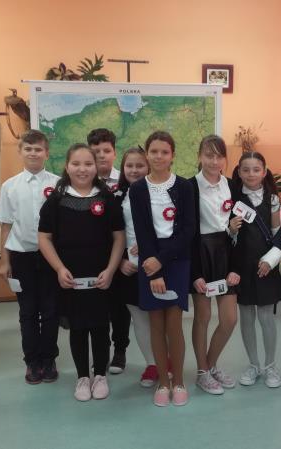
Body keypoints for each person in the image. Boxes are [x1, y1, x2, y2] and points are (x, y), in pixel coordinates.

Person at [38, 143, 124, 401]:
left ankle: (100, 375)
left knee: (100, 327)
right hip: (70, 279)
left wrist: (110, 270)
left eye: (88, 164)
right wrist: (59, 268)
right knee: (77, 328)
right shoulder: (56, 201)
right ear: (67, 166)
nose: (82, 169)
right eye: (76, 164)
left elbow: (119, 237)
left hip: (102, 278)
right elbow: (44, 238)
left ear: (96, 167)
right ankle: (82, 377)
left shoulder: (107, 198)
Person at [129, 131, 196, 406]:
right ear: (147, 154)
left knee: (174, 323)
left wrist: (162, 260)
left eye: (164, 152)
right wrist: (153, 270)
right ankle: (163, 382)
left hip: (177, 259)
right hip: (149, 260)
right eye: (154, 151)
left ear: (172, 156)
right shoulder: (137, 189)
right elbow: (142, 232)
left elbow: (189, 230)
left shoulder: (185, 187)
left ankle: (178, 380)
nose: (159, 157)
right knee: (156, 323)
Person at [0, 130, 60, 384]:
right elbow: (6, 225)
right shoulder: (9, 186)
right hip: (21, 257)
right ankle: (32, 361)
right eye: (28, 149)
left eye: (38, 149)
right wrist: (4, 261)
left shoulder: (58, 184)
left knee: (51, 310)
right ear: (20, 151)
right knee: (28, 311)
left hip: (51, 257)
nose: (33, 153)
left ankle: (49, 358)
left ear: (47, 153)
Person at [228, 151, 281, 388]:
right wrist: (231, 229)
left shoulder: (272, 198)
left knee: (265, 316)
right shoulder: (232, 197)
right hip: (241, 266)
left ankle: (270, 365)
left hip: (265, 266)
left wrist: (270, 260)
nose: (251, 174)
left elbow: (278, 233)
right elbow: (226, 235)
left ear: (264, 171)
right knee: (246, 316)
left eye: (256, 169)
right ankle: (253, 364)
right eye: (245, 170)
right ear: (239, 172)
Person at [189, 135, 239, 395]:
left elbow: (239, 229)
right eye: (209, 155)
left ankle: (210, 364)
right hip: (201, 254)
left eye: (219, 156)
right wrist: (195, 273)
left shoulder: (232, 186)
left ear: (225, 160)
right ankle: (202, 372)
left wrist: (235, 266)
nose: (214, 161)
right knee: (203, 317)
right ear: (200, 156)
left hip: (225, 254)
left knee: (230, 319)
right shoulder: (189, 187)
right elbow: (187, 234)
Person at [114, 146, 159, 387]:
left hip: (157, 265)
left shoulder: (160, 192)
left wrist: (149, 246)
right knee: (139, 319)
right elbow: (111, 234)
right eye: (129, 166)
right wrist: (121, 260)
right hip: (129, 269)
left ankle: (167, 361)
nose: (134, 170)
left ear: (148, 166)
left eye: (139, 165)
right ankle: (152, 365)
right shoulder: (117, 196)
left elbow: (168, 228)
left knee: (159, 319)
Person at [87, 127, 128, 373]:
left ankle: (120, 350)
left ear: (114, 152)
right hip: (93, 254)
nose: (101, 155)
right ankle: (100, 354)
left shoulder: (125, 180)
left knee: (120, 307)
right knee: (97, 308)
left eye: (106, 150)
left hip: (121, 254)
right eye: (96, 151)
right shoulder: (83, 182)